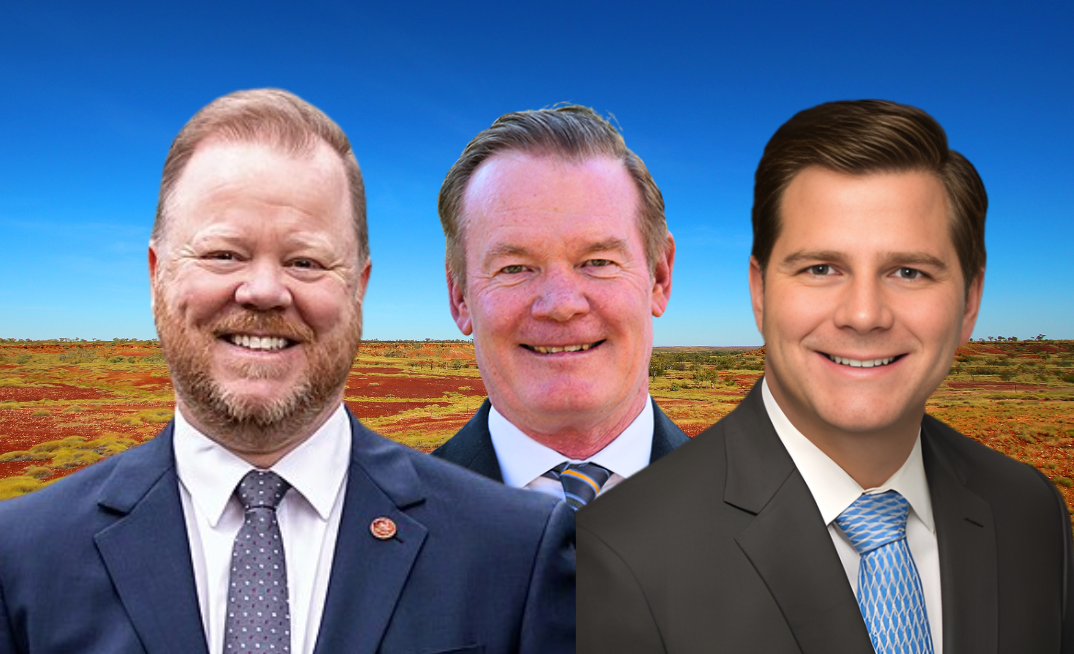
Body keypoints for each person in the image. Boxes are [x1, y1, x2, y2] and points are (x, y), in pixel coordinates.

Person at [0, 89, 574, 654]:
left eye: (305, 261)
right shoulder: (20, 557)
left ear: (359, 288)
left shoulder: (515, 549)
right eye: (224, 253)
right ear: (157, 274)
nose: (265, 291)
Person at [577, 100, 1074, 652]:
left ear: (970, 302)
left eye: (908, 272)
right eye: (821, 269)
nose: (863, 315)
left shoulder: (1031, 513)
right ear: (760, 292)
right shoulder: (628, 547)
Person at [430, 105, 688, 508]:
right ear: (459, 295)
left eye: (598, 262)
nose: (562, 305)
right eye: (515, 267)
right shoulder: (363, 540)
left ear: (659, 278)